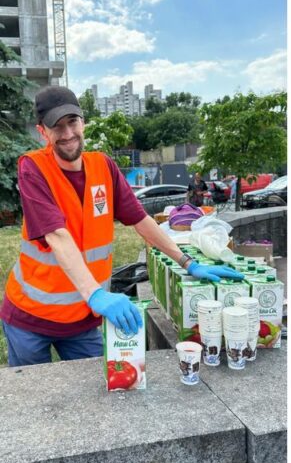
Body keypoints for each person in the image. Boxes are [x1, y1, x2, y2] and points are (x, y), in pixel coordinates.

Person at [0, 86, 243, 366]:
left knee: (100, 399)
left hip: (82, 318)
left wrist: (187, 262)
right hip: (31, 319)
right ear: (43, 132)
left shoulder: (103, 167)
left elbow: (140, 220)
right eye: (56, 127)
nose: (67, 134)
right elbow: (57, 235)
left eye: (72, 122)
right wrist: (96, 294)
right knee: (37, 402)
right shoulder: (33, 168)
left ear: (83, 122)